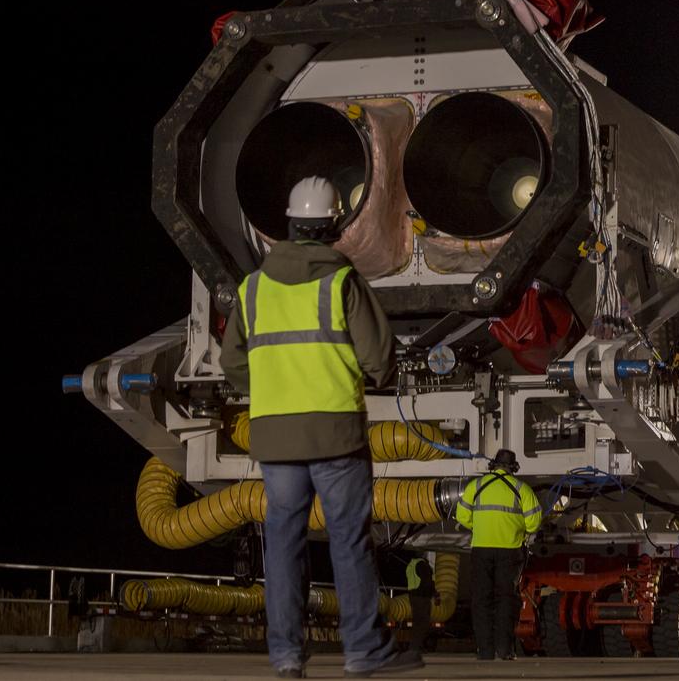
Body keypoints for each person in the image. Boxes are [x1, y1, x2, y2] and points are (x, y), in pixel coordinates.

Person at [222, 176, 419, 679]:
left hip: (276, 438)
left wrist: (273, 390)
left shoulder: (253, 288)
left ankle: (286, 655)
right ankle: (363, 650)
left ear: (289, 226)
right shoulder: (341, 282)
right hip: (336, 435)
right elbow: (379, 359)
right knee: (348, 541)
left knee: (283, 545)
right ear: (334, 227)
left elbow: (234, 364)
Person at [455, 449, 543, 660]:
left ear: (493, 465)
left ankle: (484, 651)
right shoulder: (522, 489)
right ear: (513, 468)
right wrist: (517, 530)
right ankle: (504, 649)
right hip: (510, 551)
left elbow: (462, 516)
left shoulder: (476, 486)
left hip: (481, 549)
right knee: (505, 599)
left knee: (481, 600)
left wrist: (481, 527)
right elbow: (534, 523)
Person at [405, 553, 436, 652]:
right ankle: (416, 646)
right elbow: (428, 582)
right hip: (422, 597)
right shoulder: (422, 565)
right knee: (423, 624)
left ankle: (415, 646)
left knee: (417, 623)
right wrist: (434, 594)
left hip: (414, 596)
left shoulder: (411, 564)